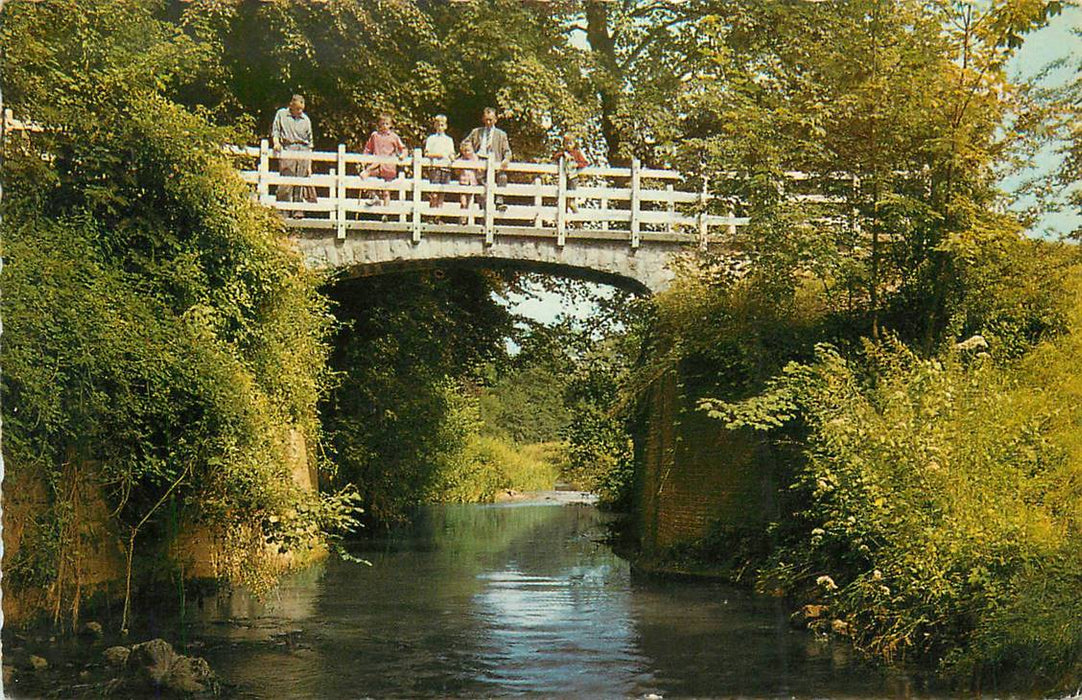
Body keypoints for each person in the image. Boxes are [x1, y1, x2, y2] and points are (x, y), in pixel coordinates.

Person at [271, 94, 316, 219]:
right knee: (286, 181)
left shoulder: (306, 120)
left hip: (303, 150)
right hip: (288, 148)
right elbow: (276, 130)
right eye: (297, 109)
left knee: (300, 182)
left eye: (302, 109)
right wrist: (276, 142)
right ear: (291, 105)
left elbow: (310, 142)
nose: (300, 111)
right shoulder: (282, 114)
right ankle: (282, 213)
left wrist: (309, 163)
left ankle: (298, 212)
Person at [465, 107, 512, 212]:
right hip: (480, 161)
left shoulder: (501, 135)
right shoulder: (476, 132)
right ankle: (483, 205)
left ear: (495, 119)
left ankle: (500, 202)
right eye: (486, 119)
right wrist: (472, 155)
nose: (488, 122)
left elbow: (507, 151)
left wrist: (506, 159)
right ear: (483, 119)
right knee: (479, 180)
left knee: (503, 177)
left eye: (491, 119)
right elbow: (465, 143)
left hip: (496, 162)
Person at [362, 113, 407, 207]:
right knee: (364, 175)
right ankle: (374, 197)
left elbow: (403, 148)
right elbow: (368, 148)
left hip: (388, 167)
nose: (384, 126)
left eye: (386, 124)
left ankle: (386, 213)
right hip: (376, 165)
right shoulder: (375, 136)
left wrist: (403, 155)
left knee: (386, 191)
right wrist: (364, 158)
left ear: (390, 125)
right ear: (379, 124)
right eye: (382, 124)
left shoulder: (394, 137)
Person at [423, 114, 455, 209]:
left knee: (442, 192)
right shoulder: (431, 139)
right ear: (435, 126)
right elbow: (427, 153)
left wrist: (452, 157)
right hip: (435, 167)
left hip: (445, 168)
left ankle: (439, 215)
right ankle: (432, 214)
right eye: (438, 125)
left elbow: (451, 153)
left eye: (442, 125)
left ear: (445, 126)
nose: (440, 127)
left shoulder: (449, 140)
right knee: (434, 193)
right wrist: (438, 155)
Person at [554, 133, 589, 213]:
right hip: (564, 179)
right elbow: (555, 157)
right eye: (566, 143)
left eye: (570, 143)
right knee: (564, 202)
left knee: (571, 202)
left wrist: (577, 165)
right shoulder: (563, 153)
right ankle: (565, 223)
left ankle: (579, 222)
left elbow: (585, 163)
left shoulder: (576, 153)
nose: (568, 145)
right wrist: (564, 154)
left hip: (573, 178)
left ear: (574, 144)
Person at [456, 140, 483, 224]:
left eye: (468, 150)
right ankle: (462, 219)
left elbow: (480, 170)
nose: (467, 152)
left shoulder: (475, 158)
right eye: (465, 151)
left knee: (470, 201)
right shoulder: (461, 159)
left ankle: (469, 221)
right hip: (463, 182)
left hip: (472, 182)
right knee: (463, 202)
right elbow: (457, 171)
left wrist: (477, 167)